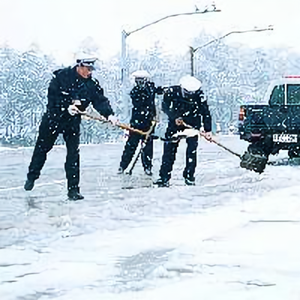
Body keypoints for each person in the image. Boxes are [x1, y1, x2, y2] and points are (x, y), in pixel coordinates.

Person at [24, 55, 118, 200]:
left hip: (72, 122)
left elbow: (100, 101)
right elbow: (53, 99)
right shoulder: (61, 77)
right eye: (88, 69)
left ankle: (73, 190)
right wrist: (65, 107)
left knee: (73, 154)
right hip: (53, 119)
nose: (90, 72)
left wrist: (109, 115)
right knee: (42, 149)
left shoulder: (91, 84)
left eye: (92, 69)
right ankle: (32, 176)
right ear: (80, 66)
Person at [154, 75, 212, 187]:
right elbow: (165, 106)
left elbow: (206, 112)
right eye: (187, 92)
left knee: (191, 151)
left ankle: (189, 176)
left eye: (192, 93)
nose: (190, 95)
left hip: (193, 125)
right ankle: (164, 177)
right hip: (175, 124)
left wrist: (207, 129)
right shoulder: (172, 91)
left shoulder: (200, 95)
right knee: (169, 151)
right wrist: (174, 116)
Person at [118, 70, 163, 175]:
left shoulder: (151, 88)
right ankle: (123, 166)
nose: (140, 82)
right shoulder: (135, 92)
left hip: (149, 123)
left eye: (142, 80)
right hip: (137, 123)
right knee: (131, 146)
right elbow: (138, 100)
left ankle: (147, 167)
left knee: (147, 147)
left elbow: (157, 91)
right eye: (138, 80)